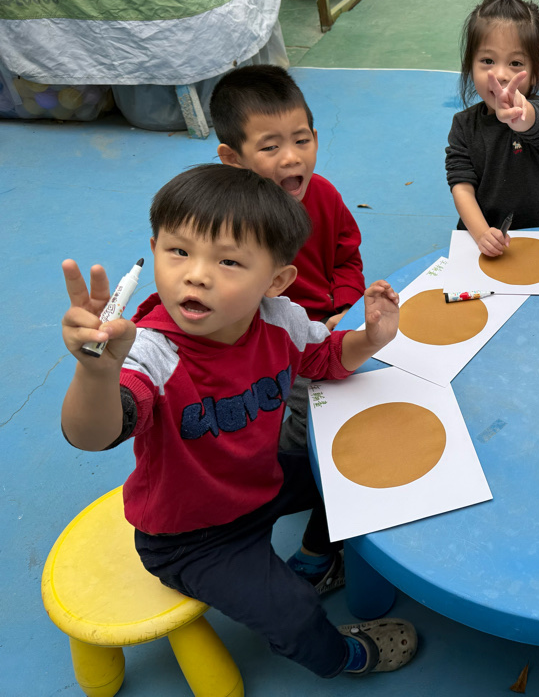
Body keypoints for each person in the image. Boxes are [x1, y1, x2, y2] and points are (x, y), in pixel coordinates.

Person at [59, 165, 417, 678]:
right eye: (178, 251)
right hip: (190, 536)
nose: (196, 275)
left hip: (259, 483)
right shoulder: (149, 352)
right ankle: (343, 659)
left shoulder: (281, 319)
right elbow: (94, 435)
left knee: (350, 478)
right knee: (293, 614)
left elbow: (323, 357)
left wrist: (371, 340)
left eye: (228, 260)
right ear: (154, 248)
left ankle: (314, 558)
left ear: (276, 281)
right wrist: (96, 372)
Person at [211, 65, 365, 587]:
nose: (292, 157)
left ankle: (318, 515)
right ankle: (310, 514)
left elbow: (347, 257)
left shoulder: (324, 195)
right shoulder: (232, 228)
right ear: (232, 158)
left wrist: (346, 304)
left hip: (328, 331)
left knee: (347, 424)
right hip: (278, 350)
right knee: (315, 443)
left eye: (301, 140)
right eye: (270, 146)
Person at [446, 0, 539, 257]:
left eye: (515, 63)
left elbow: (533, 122)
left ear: (535, 72)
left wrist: (519, 114)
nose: (500, 74)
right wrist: (482, 234)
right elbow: (461, 186)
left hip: (531, 236)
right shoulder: (463, 125)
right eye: (487, 61)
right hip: (476, 237)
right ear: (470, 65)